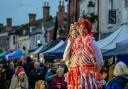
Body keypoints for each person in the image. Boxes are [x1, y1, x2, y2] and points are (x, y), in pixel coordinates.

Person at [63, 18, 104, 89]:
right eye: (80, 28)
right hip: (75, 79)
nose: (82, 30)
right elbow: (65, 58)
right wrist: (70, 42)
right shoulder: (75, 43)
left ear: (88, 29)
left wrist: (94, 72)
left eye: (84, 28)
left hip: (87, 78)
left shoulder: (91, 42)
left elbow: (100, 61)